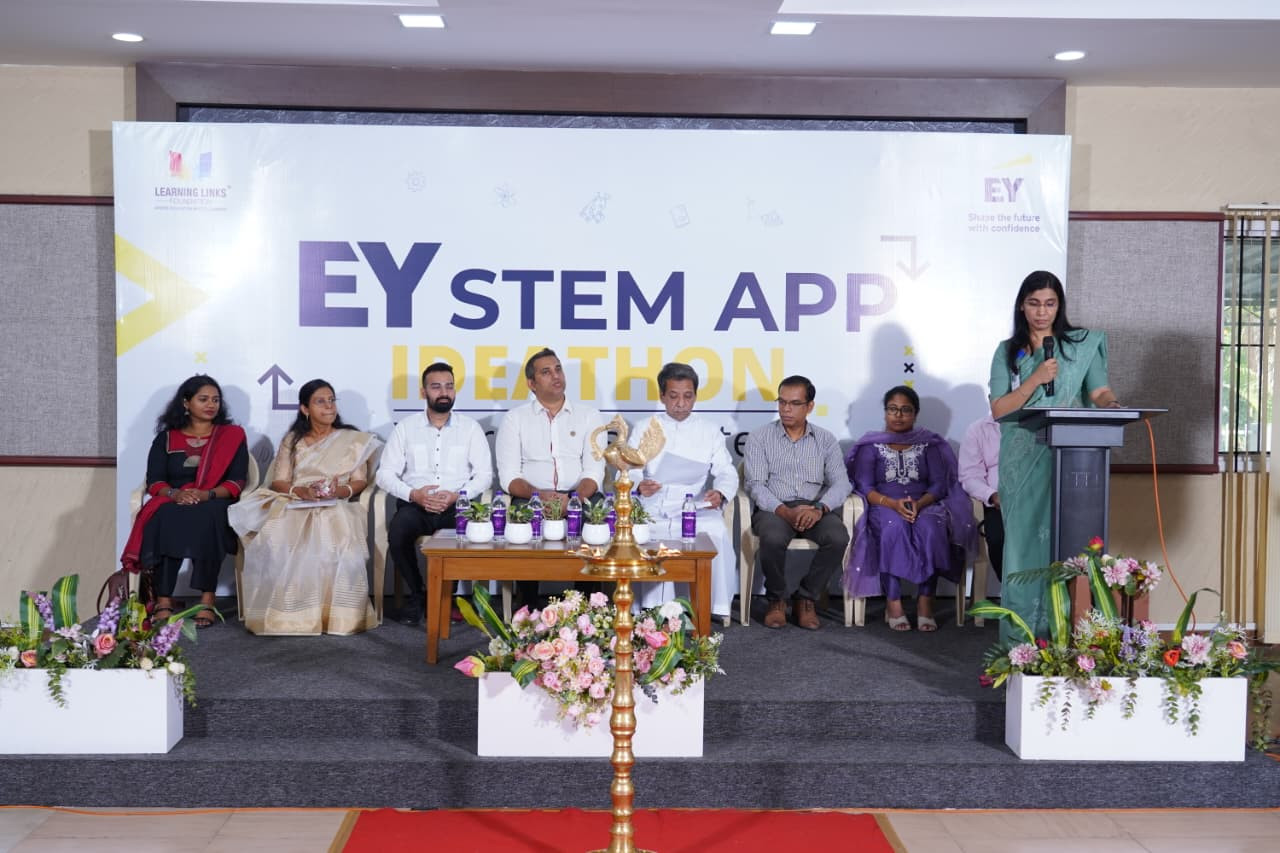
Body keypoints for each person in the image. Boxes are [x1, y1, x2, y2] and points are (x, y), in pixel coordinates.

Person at [989, 270, 1121, 642]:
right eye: (1034, 303)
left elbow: (1099, 391)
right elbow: (999, 409)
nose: (1042, 312)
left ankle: (1074, 635)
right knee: (1024, 548)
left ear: (1059, 306)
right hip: (1022, 461)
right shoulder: (1008, 352)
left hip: (1071, 461)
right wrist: (1035, 378)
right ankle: (1023, 641)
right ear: (1022, 305)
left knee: (1070, 545)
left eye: (1049, 304)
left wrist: (1112, 404)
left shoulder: (1081, 345)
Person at [229, 380, 382, 635]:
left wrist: (337, 492)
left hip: (335, 503)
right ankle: (290, 616)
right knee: (278, 535)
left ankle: (336, 618)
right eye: (320, 401)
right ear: (305, 409)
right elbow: (279, 481)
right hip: (296, 501)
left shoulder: (353, 440)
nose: (329, 406)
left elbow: (359, 481)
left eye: (331, 400)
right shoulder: (293, 440)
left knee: (335, 533)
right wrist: (301, 492)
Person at [120, 375, 249, 629]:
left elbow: (237, 482)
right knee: (166, 517)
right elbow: (155, 481)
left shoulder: (232, 436)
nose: (211, 405)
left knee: (209, 516)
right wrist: (176, 495)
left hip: (214, 501)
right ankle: (163, 599)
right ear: (186, 403)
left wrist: (206, 495)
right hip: (174, 500)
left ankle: (207, 600)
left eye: (215, 400)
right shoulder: (166, 438)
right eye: (203, 399)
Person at [845, 386, 977, 632]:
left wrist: (920, 503)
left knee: (931, 528)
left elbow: (938, 484)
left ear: (915, 414)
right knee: (893, 528)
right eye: (893, 409)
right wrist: (892, 504)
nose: (898, 415)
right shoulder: (870, 445)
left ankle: (925, 601)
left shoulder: (929, 444)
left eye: (905, 410)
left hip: (923, 503)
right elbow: (864, 486)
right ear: (885, 412)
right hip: (883, 504)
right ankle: (893, 601)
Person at [376, 362, 493, 625]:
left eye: (449, 386)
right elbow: (385, 474)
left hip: (456, 505)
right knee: (398, 533)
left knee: (462, 536)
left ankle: (444, 598)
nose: (444, 392)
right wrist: (414, 494)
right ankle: (418, 594)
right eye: (436, 387)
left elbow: (485, 475)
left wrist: (458, 495)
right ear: (423, 392)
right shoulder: (406, 428)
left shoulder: (470, 428)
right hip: (416, 505)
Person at [495, 348, 605, 604]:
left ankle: (586, 605)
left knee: (597, 518)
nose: (556, 376)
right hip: (533, 496)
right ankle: (528, 607)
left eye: (558, 369)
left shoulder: (589, 416)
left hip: (579, 494)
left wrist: (574, 499)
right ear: (531, 384)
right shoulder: (514, 419)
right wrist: (540, 496)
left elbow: (594, 471)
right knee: (521, 520)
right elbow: (509, 477)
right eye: (546, 372)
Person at [631, 362, 739, 619]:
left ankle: (710, 606)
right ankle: (651, 610)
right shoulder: (645, 427)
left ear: (695, 396)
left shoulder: (709, 430)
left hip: (692, 503)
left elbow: (727, 471)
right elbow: (629, 469)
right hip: (653, 502)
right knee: (643, 532)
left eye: (687, 396)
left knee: (715, 530)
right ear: (662, 396)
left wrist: (720, 493)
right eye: (673, 396)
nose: (681, 403)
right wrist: (639, 485)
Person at [743, 375, 851, 630]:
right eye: (781, 402)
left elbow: (842, 483)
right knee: (772, 537)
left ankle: (806, 598)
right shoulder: (759, 437)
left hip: (815, 508)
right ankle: (776, 599)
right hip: (774, 507)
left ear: (809, 406)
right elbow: (755, 484)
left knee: (837, 537)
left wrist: (819, 509)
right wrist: (784, 511)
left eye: (794, 403)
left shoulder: (825, 439)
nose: (786, 409)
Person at [959, 411, 1003, 581]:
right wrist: (992, 495)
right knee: (998, 538)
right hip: (997, 504)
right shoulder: (978, 429)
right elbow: (969, 476)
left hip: (1037, 500)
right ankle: (1012, 590)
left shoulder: (1037, 422)